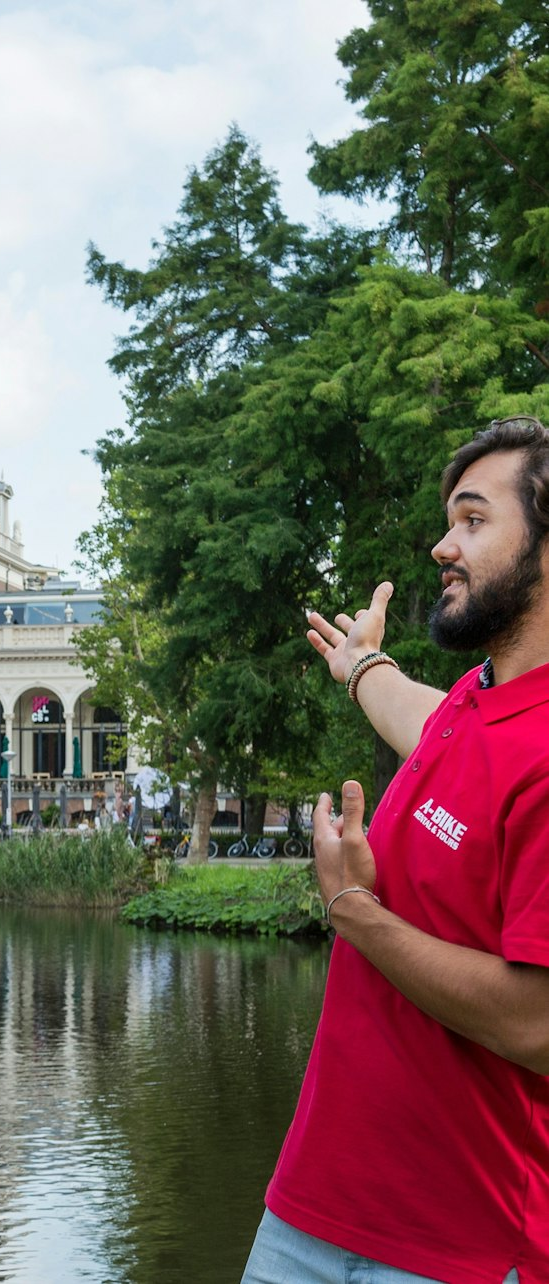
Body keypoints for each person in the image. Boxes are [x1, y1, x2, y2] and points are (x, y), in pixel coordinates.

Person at [243, 416, 549, 1283]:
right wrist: (360, 665)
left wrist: (355, 914)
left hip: (462, 1251)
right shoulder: (472, 705)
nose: (442, 546)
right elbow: (415, 714)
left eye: (474, 520)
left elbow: (538, 1024)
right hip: (308, 1214)